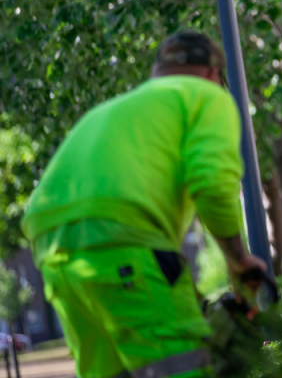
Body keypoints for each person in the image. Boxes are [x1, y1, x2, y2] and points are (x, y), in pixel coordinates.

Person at [22, 30, 267, 378]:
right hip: (122, 240)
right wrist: (238, 259)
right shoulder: (207, 97)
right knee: (180, 367)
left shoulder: (114, 109)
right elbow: (212, 183)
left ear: (158, 72)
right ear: (214, 74)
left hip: (53, 250)